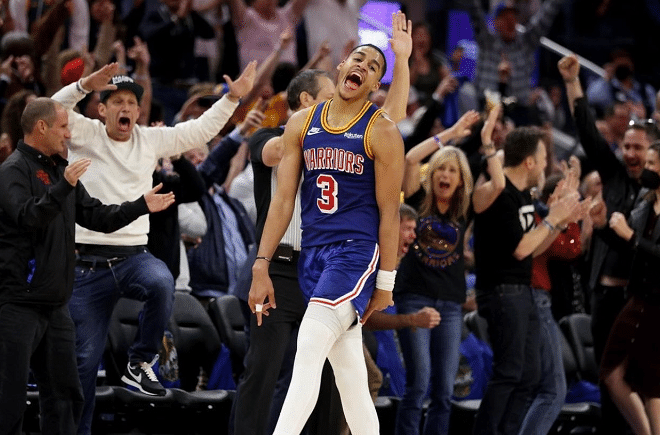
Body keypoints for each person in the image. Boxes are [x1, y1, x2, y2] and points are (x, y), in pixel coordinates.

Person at [50, 61, 256, 435]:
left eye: (132, 102)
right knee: (82, 366)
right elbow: (52, 109)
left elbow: (199, 130)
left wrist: (232, 100)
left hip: (134, 257)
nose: (126, 107)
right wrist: (83, 85)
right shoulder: (86, 132)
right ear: (102, 109)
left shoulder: (150, 140)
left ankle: (140, 361)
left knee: (162, 280)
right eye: (117, 101)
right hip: (87, 262)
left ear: (139, 111)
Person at [235, 12, 412, 434]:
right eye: (359, 58)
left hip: (354, 253)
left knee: (309, 346)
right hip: (311, 256)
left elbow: (390, 212)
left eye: (374, 66)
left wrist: (386, 283)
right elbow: (282, 202)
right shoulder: (301, 123)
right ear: (342, 66)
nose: (363, 66)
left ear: (375, 85)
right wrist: (260, 264)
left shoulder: (381, 130)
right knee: (352, 380)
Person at [0, 98, 174, 435]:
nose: (68, 134)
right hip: (18, 304)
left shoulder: (58, 170)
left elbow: (98, 217)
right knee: (9, 402)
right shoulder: (13, 171)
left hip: (56, 306)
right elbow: (28, 216)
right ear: (41, 127)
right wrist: (63, 186)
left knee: (67, 398)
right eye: (63, 127)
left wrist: (140, 205)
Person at [558, 53, 660, 435]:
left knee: (644, 384)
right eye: (627, 147)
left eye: (639, 148)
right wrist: (572, 83)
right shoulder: (614, 178)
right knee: (610, 385)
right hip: (605, 298)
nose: (630, 154)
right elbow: (588, 132)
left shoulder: (655, 194)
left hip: (643, 299)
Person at [472, 126, 579, 435]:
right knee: (509, 373)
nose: (546, 165)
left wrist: (559, 222)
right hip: (502, 292)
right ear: (529, 162)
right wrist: (552, 219)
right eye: (543, 159)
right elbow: (520, 249)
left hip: (521, 291)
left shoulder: (522, 196)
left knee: (530, 376)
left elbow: (534, 248)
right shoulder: (501, 194)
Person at [394, 106, 494, 435]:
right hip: (414, 298)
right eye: (440, 168)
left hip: (450, 305)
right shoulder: (418, 198)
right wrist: (449, 135)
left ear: (460, 178)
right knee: (418, 382)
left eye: (452, 170)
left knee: (444, 391)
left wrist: (488, 142)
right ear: (432, 174)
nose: (445, 175)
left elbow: (498, 184)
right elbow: (411, 158)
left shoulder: (465, 208)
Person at [602, 141, 660, 435]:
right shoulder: (645, 202)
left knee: (652, 384)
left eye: (652, 164)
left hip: (658, 303)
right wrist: (602, 225)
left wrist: (633, 238)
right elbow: (628, 246)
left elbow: (638, 243)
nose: (646, 169)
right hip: (638, 297)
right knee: (613, 374)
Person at [461, 0, 565, 121]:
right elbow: (475, 11)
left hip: (519, 109)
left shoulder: (526, 42)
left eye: (513, 18)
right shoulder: (487, 41)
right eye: (505, 18)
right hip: (488, 106)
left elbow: (546, 14)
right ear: (495, 22)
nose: (510, 22)